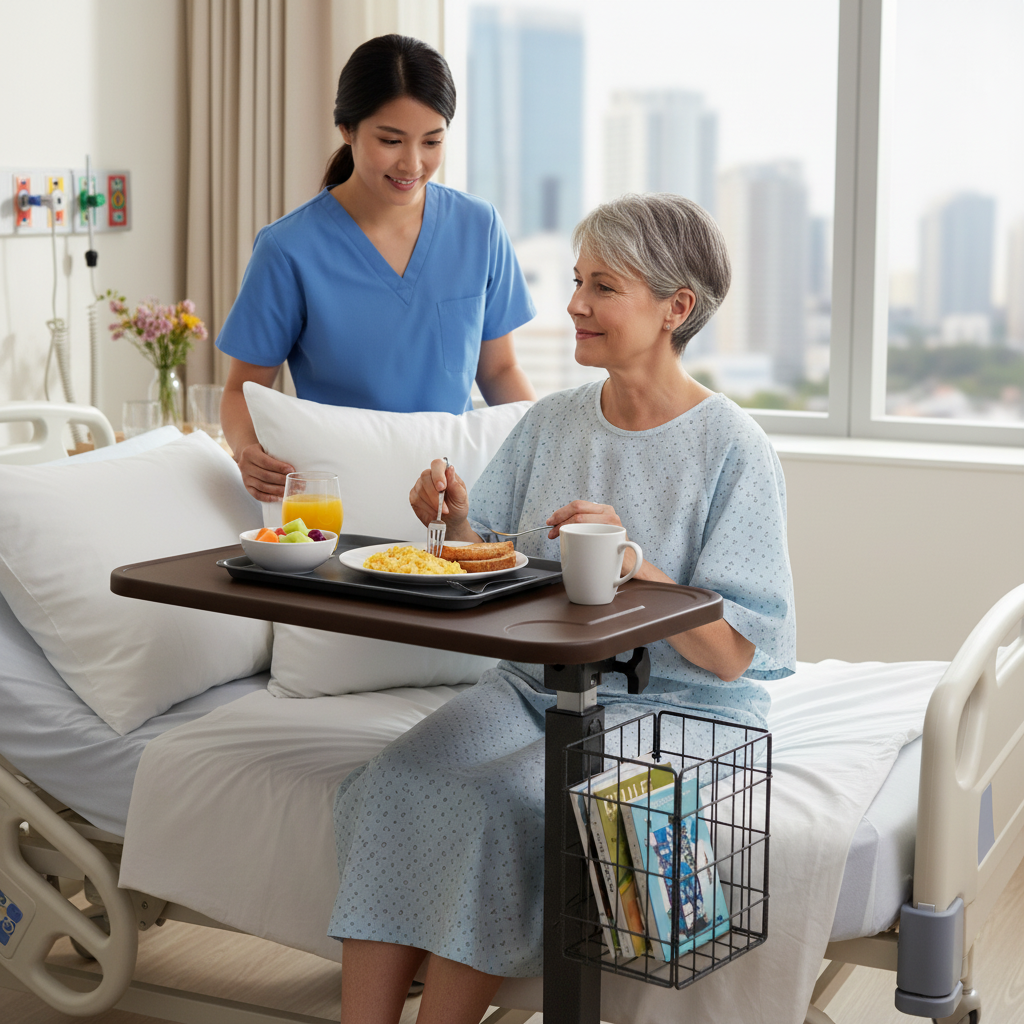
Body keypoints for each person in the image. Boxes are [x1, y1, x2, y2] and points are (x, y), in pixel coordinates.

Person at [328, 193, 796, 1024]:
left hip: (673, 707)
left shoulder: (733, 448)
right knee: (392, 782)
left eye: (602, 287)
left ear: (674, 308)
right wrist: (456, 517)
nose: (574, 305)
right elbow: (493, 559)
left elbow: (733, 657)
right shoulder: (551, 422)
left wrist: (640, 565)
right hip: (534, 688)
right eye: (578, 282)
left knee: (497, 808)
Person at [216, 34, 537, 502]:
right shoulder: (288, 249)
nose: (412, 163)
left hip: (453, 503)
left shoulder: (478, 226)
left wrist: (543, 453)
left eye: (432, 141)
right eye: (391, 141)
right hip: (341, 503)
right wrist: (246, 450)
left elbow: (500, 371)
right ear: (347, 129)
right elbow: (240, 391)